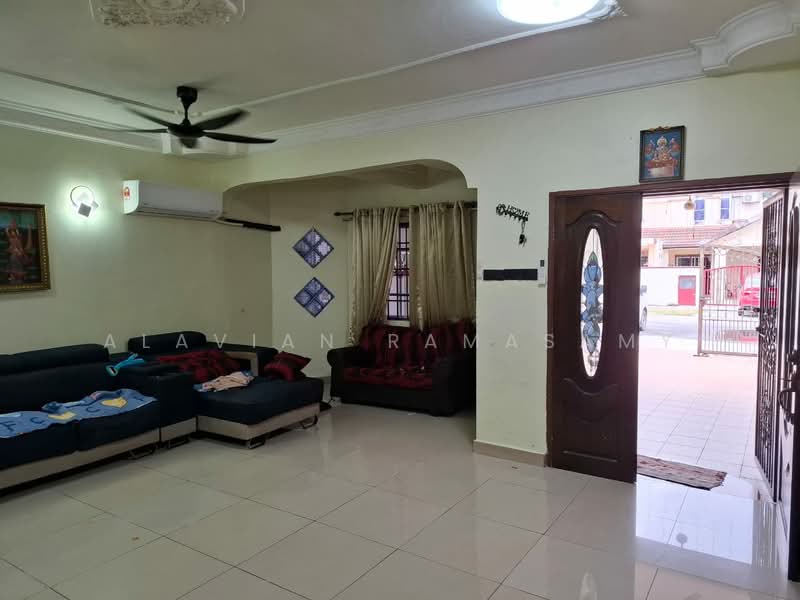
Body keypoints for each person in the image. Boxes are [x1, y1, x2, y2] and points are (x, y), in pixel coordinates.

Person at [4, 217, 33, 283]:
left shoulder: (21, 249)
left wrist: (29, 230)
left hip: (19, 275)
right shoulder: (12, 247)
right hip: (14, 275)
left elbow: (28, 245)